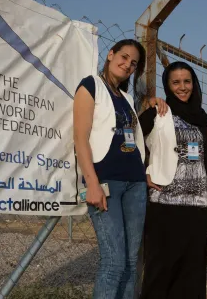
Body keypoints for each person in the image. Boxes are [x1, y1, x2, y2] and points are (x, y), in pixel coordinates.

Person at [73, 39, 166, 299]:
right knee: (113, 262)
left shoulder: (125, 97)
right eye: (123, 58)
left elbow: (134, 140)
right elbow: (80, 138)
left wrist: (154, 105)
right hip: (106, 182)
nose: (127, 65)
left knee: (129, 263)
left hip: (134, 184)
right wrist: (91, 183)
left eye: (133, 63)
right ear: (110, 55)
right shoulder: (90, 85)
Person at [138, 61, 207, 299]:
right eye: (176, 82)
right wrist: (144, 172)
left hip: (198, 206)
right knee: (161, 269)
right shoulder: (157, 113)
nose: (182, 87)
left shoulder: (202, 119)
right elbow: (131, 142)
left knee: (192, 272)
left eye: (187, 81)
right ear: (167, 85)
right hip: (165, 203)